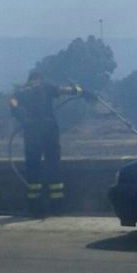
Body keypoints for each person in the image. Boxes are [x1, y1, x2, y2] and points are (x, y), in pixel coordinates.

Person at [8, 71, 91, 217]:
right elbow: (63, 90)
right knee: (53, 165)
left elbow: (12, 102)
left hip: (31, 131)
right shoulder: (46, 86)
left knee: (33, 168)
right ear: (40, 78)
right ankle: (57, 206)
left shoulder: (22, 92)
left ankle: (35, 208)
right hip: (49, 130)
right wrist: (79, 91)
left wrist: (19, 113)